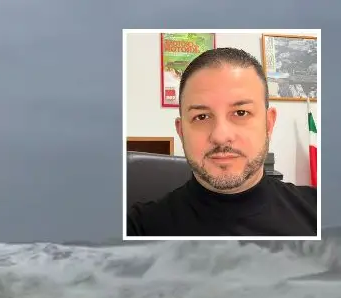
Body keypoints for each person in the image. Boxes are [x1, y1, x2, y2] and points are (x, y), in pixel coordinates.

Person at [126, 47, 317, 237]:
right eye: (201, 116)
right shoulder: (140, 229)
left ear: (268, 123)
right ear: (181, 131)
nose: (220, 136)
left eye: (241, 113)